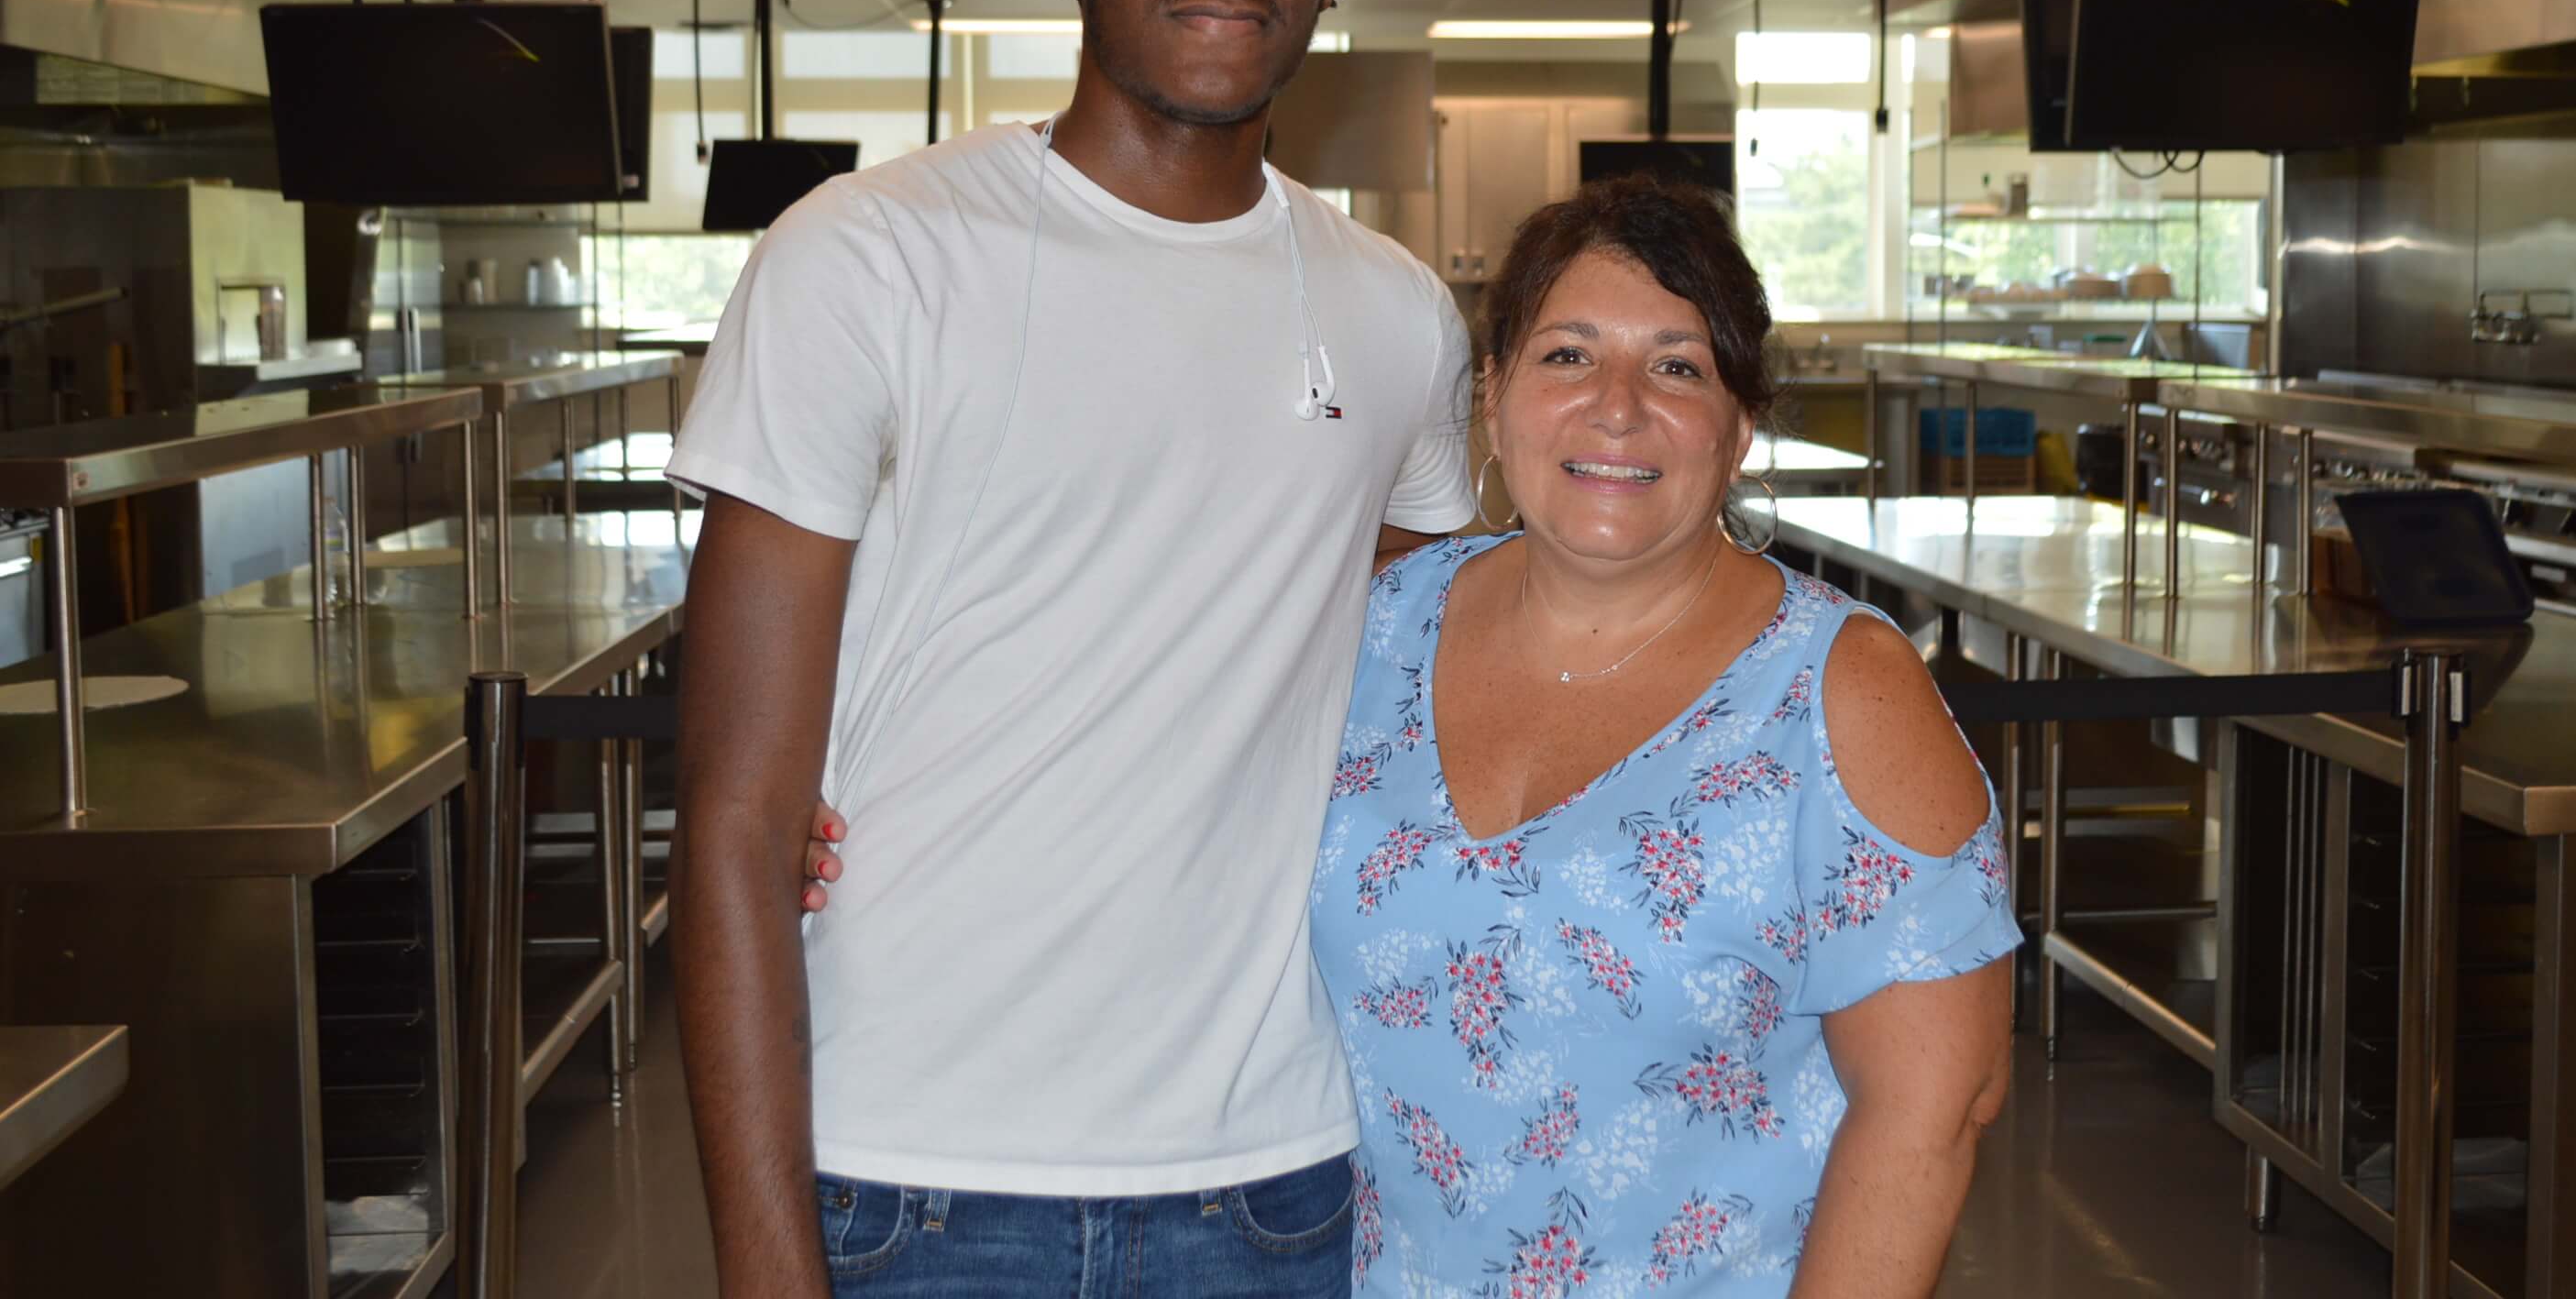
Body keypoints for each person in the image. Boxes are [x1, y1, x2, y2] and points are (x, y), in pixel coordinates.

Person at [811, 175, 2022, 1293]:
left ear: (1740, 423)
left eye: (1679, 368)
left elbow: (1937, 1101)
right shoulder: (1376, 626)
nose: (1617, 408)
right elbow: (1138, 714)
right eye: (1567, 354)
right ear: (1492, 397)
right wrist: (844, 798)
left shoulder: (1838, 690)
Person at [667, 0, 1476, 1299]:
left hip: (1276, 1181)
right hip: (909, 1179)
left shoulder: (1393, 314)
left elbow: (1420, 723)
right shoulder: (868, 257)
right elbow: (737, 823)